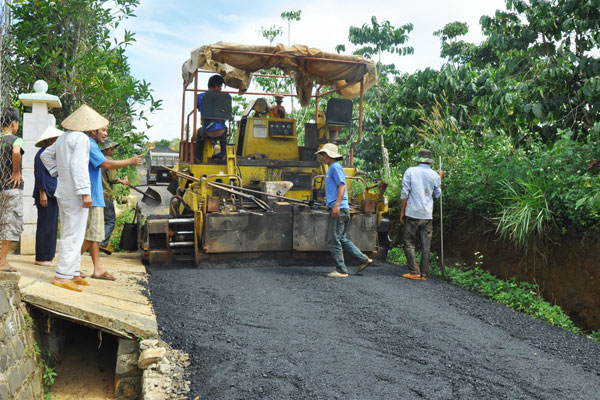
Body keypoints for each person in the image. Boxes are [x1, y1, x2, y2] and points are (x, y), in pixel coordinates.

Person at [76, 105, 142, 281]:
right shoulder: (90, 144)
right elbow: (106, 164)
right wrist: (130, 161)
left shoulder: (89, 143)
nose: (106, 134)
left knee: (94, 235)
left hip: (95, 195)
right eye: (103, 130)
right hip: (93, 197)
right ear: (92, 130)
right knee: (93, 235)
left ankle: (97, 268)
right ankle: (71, 264)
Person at [41, 111, 93, 291]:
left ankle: (74, 272)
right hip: (75, 193)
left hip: (63, 191)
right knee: (73, 234)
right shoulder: (81, 138)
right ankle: (63, 276)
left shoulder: (62, 138)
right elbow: (78, 165)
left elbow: (45, 156)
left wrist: (57, 172)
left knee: (72, 232)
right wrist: (85, 192)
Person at [315, 143, 372, 278]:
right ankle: (364, 259)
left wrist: (336, 205)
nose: (322, 157)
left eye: (323, 155)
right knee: (342, 239)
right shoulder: (332, 168)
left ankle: (341, 270)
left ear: (329, 155)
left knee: (334, 240)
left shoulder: (335, 168)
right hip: (341, 208)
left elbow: (342, 186)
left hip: (339, 209)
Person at [400, 149, 443, 281]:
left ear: (418, 159)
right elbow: (437, 194)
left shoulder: (410, 171)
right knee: (426, 244)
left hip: (412, 213)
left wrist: (402, 212)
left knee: (408, 242)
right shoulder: (435, 175)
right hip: (427, 215)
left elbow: (404, 193)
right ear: (430, 161)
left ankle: (414, 271)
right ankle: (424, 273)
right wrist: (440, 178)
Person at [33, 126, 63, 267]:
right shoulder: (41, 154)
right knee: (45, 226)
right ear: (51, 141)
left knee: (51, 226)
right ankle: (42, 257)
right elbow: (39, 175)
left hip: (52, 193)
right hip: (46, 194)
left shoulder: (50, 155)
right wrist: (42, 193)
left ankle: (48, 256)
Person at [0, 108, 23, 273]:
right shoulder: (16, 140)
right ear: (13, 123)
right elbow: (16, 151)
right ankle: (2, 262)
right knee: (8, 223)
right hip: (11, 188)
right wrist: (16, 172)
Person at [99, 138, 130, 254]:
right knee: (111, 220)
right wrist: (123, 181)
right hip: (106, 194)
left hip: (97, 194)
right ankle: (102, 243)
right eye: (111, 148)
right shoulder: (109, 161)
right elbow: (112, 178)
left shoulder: (98, 159)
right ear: (105, 149)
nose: (113, 150)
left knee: (99, 220)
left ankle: (94, 243)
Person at [195, 74, 227, 160]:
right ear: (216, 85)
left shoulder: (199, 97)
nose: (221, 89)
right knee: (225, 129)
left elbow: (198, 107)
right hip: (221, 132)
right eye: (220, 86)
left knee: (199, 132)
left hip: (207, 131)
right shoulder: (224, 97)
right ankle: (224, 154)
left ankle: (198, 157)